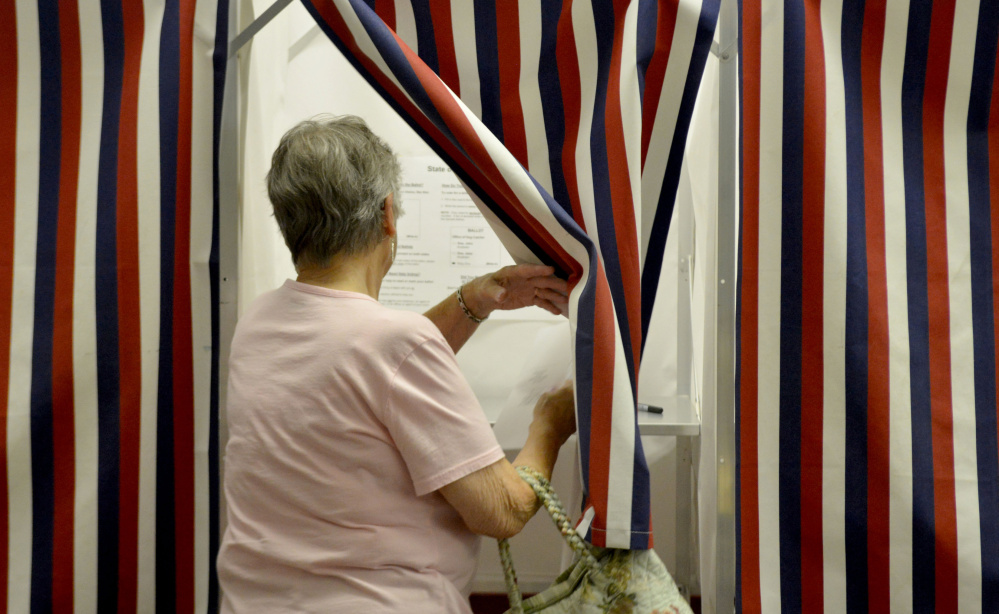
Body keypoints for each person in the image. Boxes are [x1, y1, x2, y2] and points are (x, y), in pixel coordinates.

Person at [217, 115, 577, 613]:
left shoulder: (259, 322)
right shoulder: (392, 344)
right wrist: (549, 427)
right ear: (388, 215)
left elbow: (365, 361)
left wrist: (473, 299)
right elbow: (503, 510)